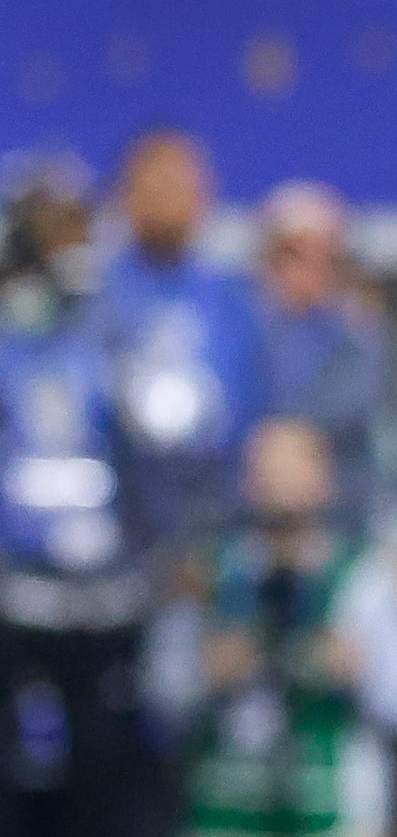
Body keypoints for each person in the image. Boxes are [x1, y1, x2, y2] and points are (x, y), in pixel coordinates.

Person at [170, 418, 397, 837]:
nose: (279, 485)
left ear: (325, 482)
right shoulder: (210, 575)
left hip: (334, 825)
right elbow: (160, 698)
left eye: (295, 469)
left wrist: (358, 669)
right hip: (227, 820)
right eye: (266, 471)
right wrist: (206, 672)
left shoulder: (363, 580)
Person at [0, 166, 173, 837]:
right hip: (15, 585)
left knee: (107, 767)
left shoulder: (112, 326)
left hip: (104, 592)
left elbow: (156, 439)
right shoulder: (11, 327)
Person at [97, 130, 259, 554]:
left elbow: (254, 404)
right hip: (120, 519)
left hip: (215, 518)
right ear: (125, 196)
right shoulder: (98, 296)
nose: (169, 202)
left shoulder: (232, 298)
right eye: (155, 188)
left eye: (182, 188)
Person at [250, 183, 391, 538]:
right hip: (249, 526)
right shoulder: (241, 327)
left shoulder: (357, 333)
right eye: (294, 255)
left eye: (325, 257)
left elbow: (353, 404)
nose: (310, 271)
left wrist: (288, 434)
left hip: (344, 525)